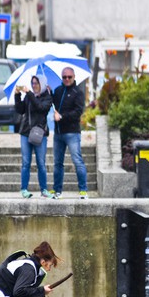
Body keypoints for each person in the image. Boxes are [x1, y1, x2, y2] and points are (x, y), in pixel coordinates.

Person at [51, 67, 88, 200]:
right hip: (58, 133)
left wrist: (62, 117)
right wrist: (49, 93)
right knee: (58, 163)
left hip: (72, 133)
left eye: (69, 77)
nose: (67, 79)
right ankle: (57, 190)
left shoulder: (78, 92)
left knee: (78, 161)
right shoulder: (58, 91)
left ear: (74, 77)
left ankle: (83, 190)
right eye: (64, 77)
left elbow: (78, 112)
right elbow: (52, 105)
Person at [14, 74, 53, 199]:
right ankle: (24, 189)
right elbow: (20, 110)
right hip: (26, 132)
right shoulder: (29, 96)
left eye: (36, 83)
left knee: (41, 163)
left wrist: (29, 93)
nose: (34, 85)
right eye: (33, 83)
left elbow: (40, 108)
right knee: (26, 163)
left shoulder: (47, 97)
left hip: (40, 134)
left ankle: (44, 190)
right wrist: (17, 95)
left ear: (42, 84)